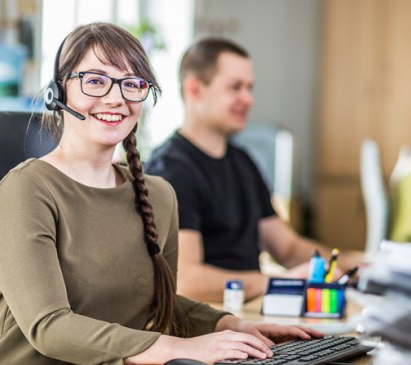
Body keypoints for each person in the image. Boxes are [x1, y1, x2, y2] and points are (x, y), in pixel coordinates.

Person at [0, 23, 323, 365]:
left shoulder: (158, 195)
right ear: (59, 91)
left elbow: (158, 302)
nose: (116, 98)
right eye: (95, 81)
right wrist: (180, 348)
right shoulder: (26, 190)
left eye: (132, 84)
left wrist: (234, 325)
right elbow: (50, 327)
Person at [145, 37, 366, 303]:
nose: (248, 99)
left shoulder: (242, 161)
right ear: (195, 90)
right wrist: (283, 282)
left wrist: (354, 264)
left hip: (249, 311)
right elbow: (186, 281)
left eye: (250, 87)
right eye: (235, 87)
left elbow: (288, 247)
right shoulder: (170, 170)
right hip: (208, 324)